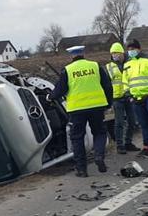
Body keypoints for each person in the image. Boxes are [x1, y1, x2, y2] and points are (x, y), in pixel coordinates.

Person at [47, 45, 112, 177]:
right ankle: (99, 156)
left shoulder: (68, 70)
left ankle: (81, 169)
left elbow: (60, 90)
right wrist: (108, 103)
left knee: (77, 138)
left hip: (77, 109)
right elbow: (107, 86)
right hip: (97, 106)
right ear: (83, 54)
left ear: (72, 56)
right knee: (99, 133)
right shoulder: (95, 66)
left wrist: (50, 97)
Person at [106, 42, 140, 154]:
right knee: (119, 122)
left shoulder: (129, 63)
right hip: (117, 98)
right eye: (112, 53)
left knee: (132, 121)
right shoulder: (109, 67)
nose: (114, 55)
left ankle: (128, 142)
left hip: (129, 96)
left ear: (121, 53)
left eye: (116, 53)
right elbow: (106, 84)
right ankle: (120, 145)